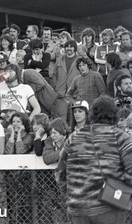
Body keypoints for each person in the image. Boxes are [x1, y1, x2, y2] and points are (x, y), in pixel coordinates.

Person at [55, 96, 132, 224]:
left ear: (91, 114)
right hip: (110, 207)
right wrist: (126, 198)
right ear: (115, 114)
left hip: (78, 209)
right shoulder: (121, 137)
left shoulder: (73, 138)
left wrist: (73, 194)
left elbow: (59, 172)